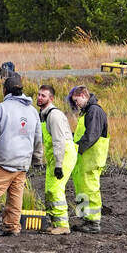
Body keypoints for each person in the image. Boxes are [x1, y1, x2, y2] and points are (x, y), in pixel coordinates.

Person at [0, 72, 43, 236]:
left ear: (5, 90)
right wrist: (37, 160)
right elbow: (38, 138)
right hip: (22, 164)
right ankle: (12, 227)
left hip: (1, 162)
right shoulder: (33, 111)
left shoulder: (0, 109)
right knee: (15, 196)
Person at [68, 85, 109, 233]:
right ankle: (84, 219)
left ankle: (93, 223)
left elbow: (91, 135)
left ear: (84, 95)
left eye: (77, 100)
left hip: (91, 159)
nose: (76, 104)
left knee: (90, 190)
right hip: (83, 159)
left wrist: (76, 147)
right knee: (82, 189)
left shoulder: (94, 111)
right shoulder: (86, 112)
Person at [37, 84, 77, 235]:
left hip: (63, 155)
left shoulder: (53, 115)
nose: (40, 98)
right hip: (55, 156)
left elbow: (59, 141)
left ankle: (63, 226)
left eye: (44, 96)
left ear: (51, 99)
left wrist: (59, 165)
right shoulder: (43, 115)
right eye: (39, 95)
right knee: (49, 189)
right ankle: (55, 223)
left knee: (56, 189)